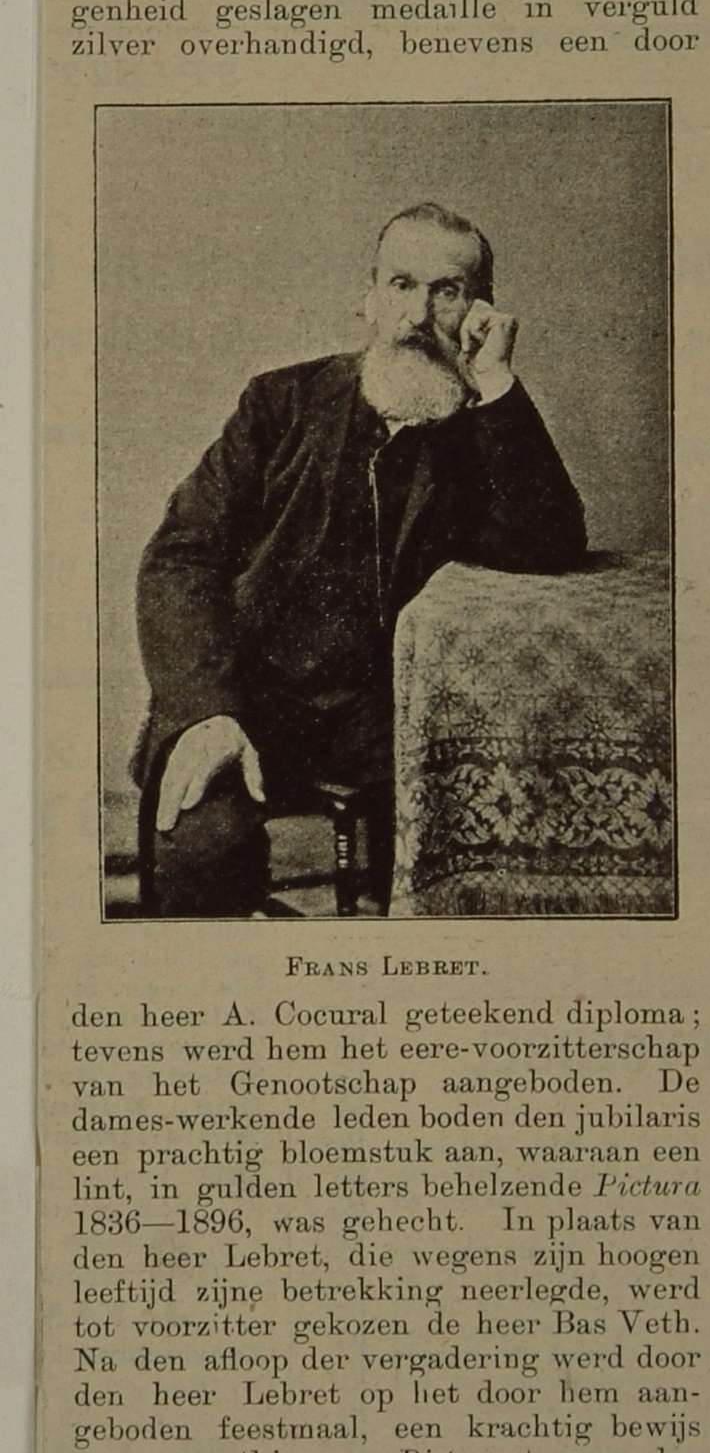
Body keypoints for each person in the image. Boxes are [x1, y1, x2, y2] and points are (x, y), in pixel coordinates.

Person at [133, 202, 586, 917]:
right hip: (248, 697)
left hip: (391, 720)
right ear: (368, 298)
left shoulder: (484, 432)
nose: (418, 315)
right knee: (201, 855)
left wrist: (497, 381)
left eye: (446, 291)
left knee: (485, 863)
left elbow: (550, 543)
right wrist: (206, 714)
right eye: (401, 285)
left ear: (478, 311)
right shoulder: (280, 403)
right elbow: (180, 557)